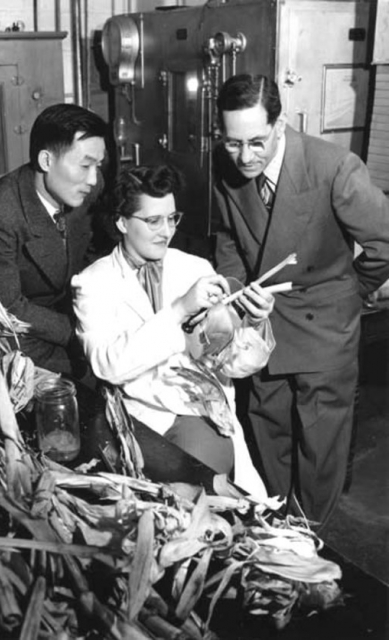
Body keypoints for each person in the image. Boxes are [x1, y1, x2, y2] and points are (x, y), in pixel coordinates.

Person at [212, 73, 389, 525]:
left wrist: (351, 293)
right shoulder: (224, 162)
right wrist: (236, 292)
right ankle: (278, 526)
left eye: (256, 141)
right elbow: (229, 238)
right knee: (266, 429)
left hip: (324, 328)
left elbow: (384, 244)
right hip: (261, 327)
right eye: (233, 144)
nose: (245, 157)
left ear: (280, 123)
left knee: (319, 444)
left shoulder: (333, 166)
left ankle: (310, 538)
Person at [72, 164, 275, 498]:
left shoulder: (195, 269)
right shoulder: (93, 282)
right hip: (140, 417)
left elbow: (233, 364)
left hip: (199, 413)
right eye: (153, 221)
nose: (166, 231)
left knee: (203, 503)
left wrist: (253, 322)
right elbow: (108, 364)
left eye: (172, 218)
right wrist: (180, 308)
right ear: (122, 222)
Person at [0, 103, 108, 376]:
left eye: (98, 165)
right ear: (46, 161)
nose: (94, 178)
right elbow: (8, 307)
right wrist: (81, 331)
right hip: (24, 327)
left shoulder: (87, 185)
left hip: (76, 308)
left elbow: (95, 250)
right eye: (85, 165)